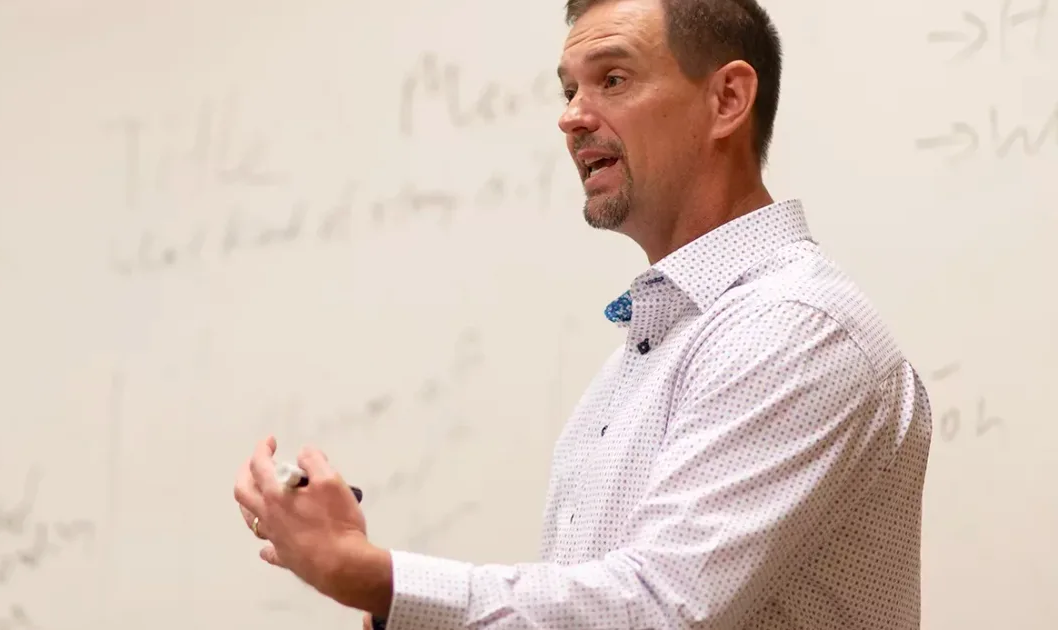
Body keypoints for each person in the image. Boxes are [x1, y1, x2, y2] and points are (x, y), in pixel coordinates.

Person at [232, 0, 934, 628]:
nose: (571, 115)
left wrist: (374, 575)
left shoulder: (794, 326)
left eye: (613, 79)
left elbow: (660, 607)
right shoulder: (659, 341)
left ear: (727, 99)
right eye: (569, 89)